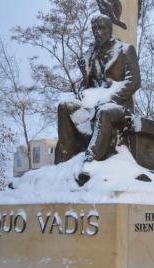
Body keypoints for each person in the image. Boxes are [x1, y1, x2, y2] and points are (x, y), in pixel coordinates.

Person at [55, 14, 141, 164]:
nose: (97, 32)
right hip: (92, 103)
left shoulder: (126, 50)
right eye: (94, 29)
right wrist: (85, 75)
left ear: (109, 29)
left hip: (118, 105)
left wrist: (110, 97)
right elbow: (86, 87)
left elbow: (134, 81)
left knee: (104, 111)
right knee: (64, 107)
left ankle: (91, 158)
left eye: (101, 28)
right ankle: (64, 158)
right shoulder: (91, 53)